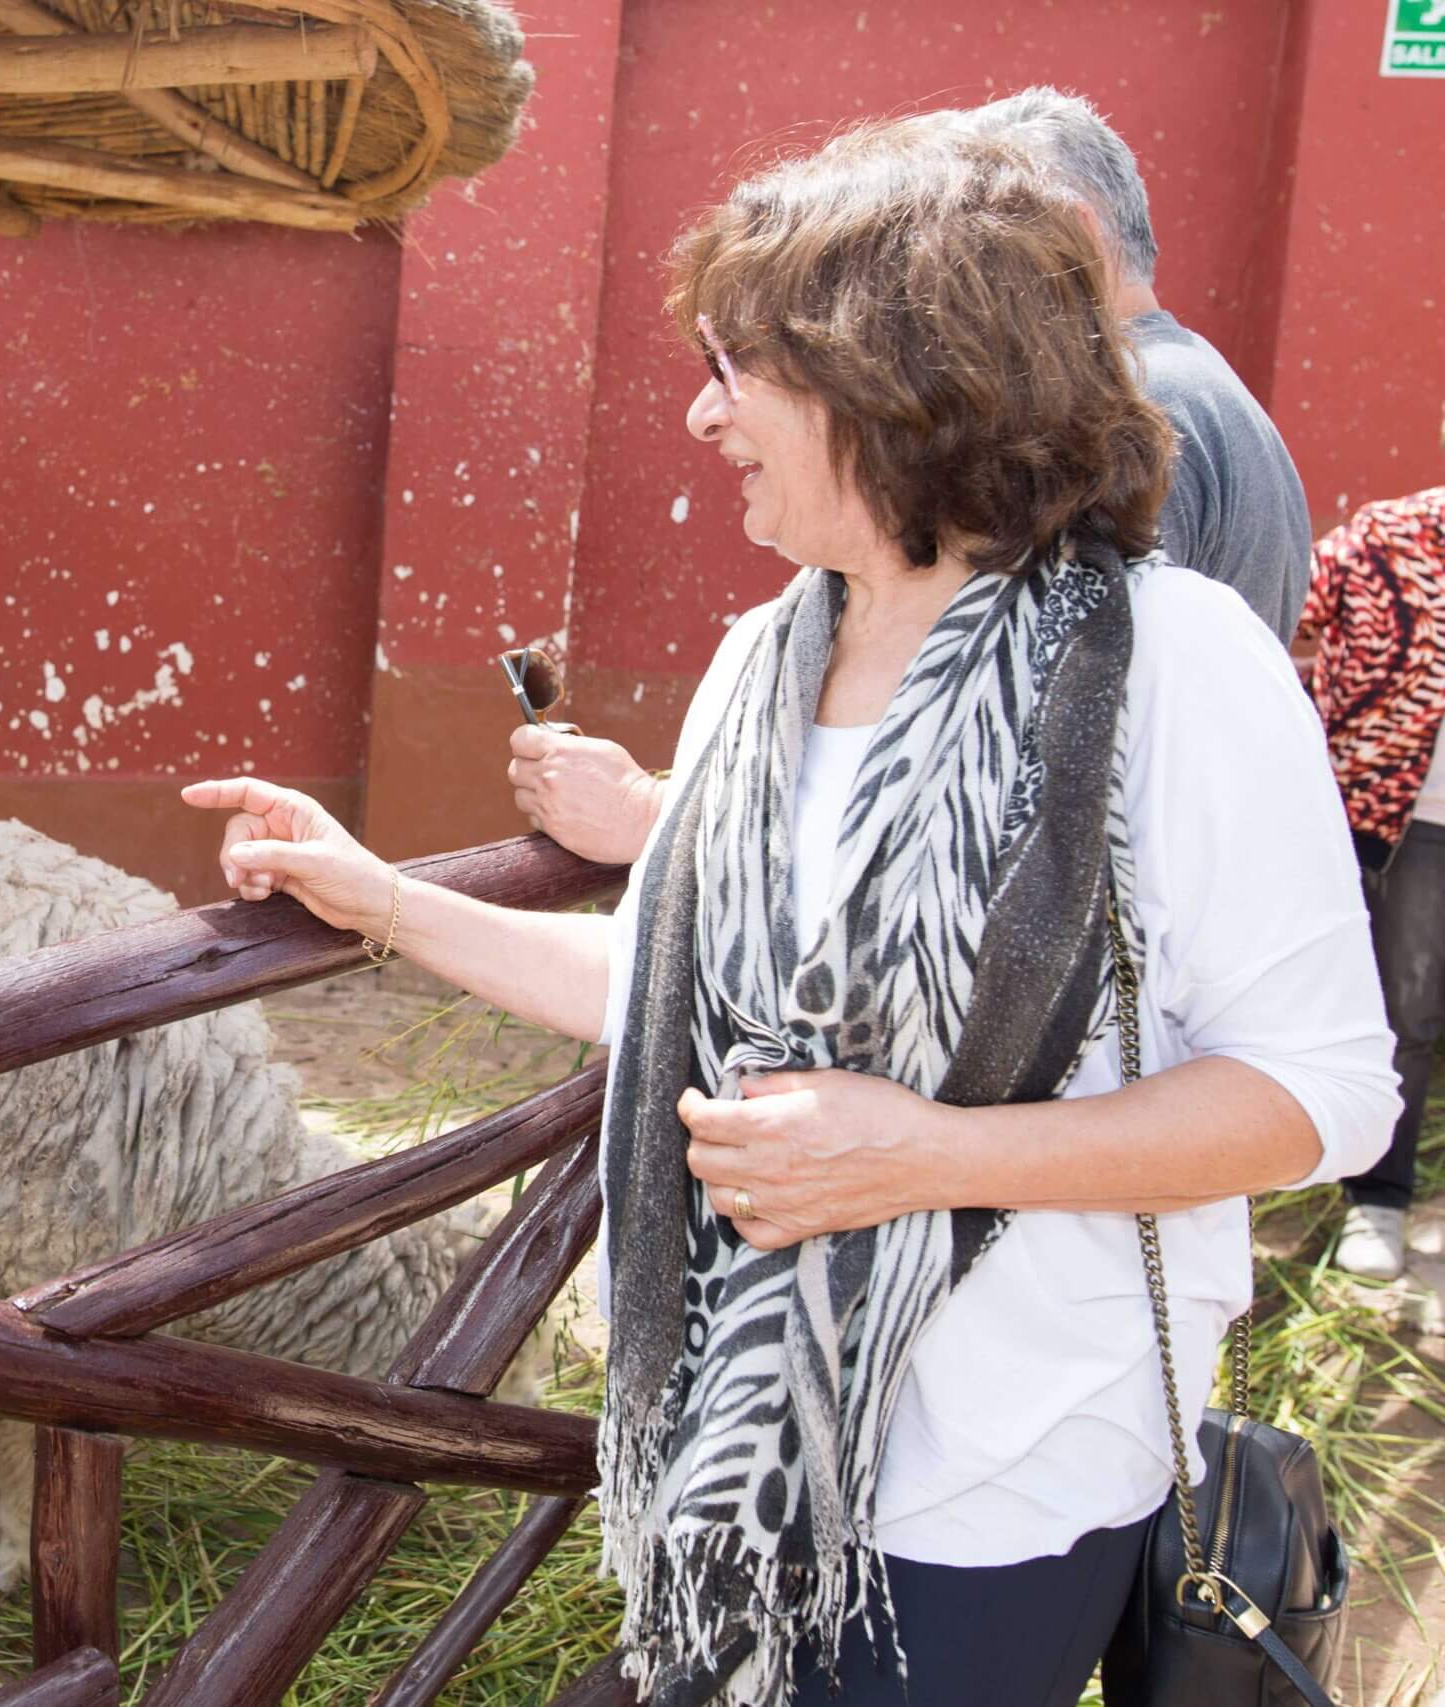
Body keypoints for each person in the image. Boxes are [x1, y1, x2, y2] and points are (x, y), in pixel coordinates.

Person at [184, 125, 1396, 1707]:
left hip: (997, 1477)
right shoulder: (767, 651)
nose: (701, 413)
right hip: (728, 1454)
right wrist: (385, 899)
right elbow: (676, 987)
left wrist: (929, 1153)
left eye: (738, 366)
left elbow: (1324, 1092)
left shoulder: (1175, 661)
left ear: (896, 375)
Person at [513, 87, 1316, 865]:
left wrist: (656, 819)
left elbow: (1015, 783)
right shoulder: (1200, 386)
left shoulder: (1126, 404)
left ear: (1066, 238)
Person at [1295, 423, 1445, 1279]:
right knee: (1404, 1007)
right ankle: (1376, 1199)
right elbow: (1279, 612)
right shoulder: (1386, 541)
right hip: (1405, 816)